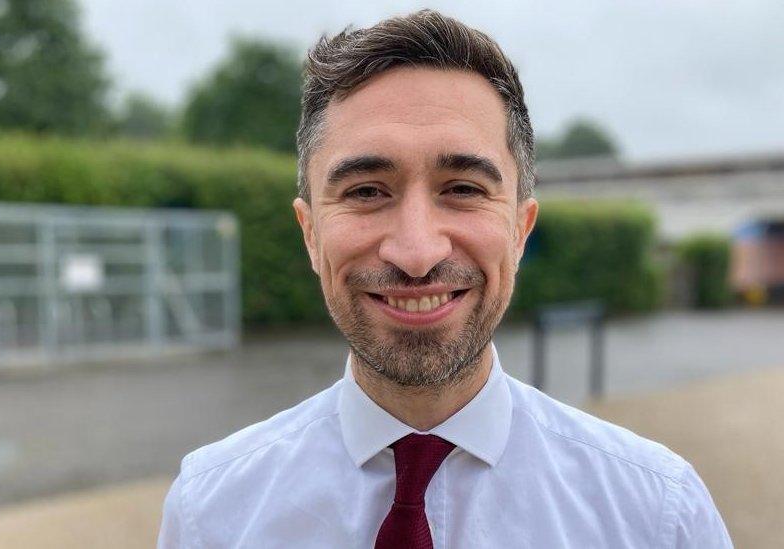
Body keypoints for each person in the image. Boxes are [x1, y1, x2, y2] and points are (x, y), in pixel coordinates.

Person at [158, 9, 732, 548]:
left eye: (462, 189)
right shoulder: (212, 513)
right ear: (310, 233)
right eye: (365, 191)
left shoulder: (657, 516)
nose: (415, 252)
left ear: (520, 227)